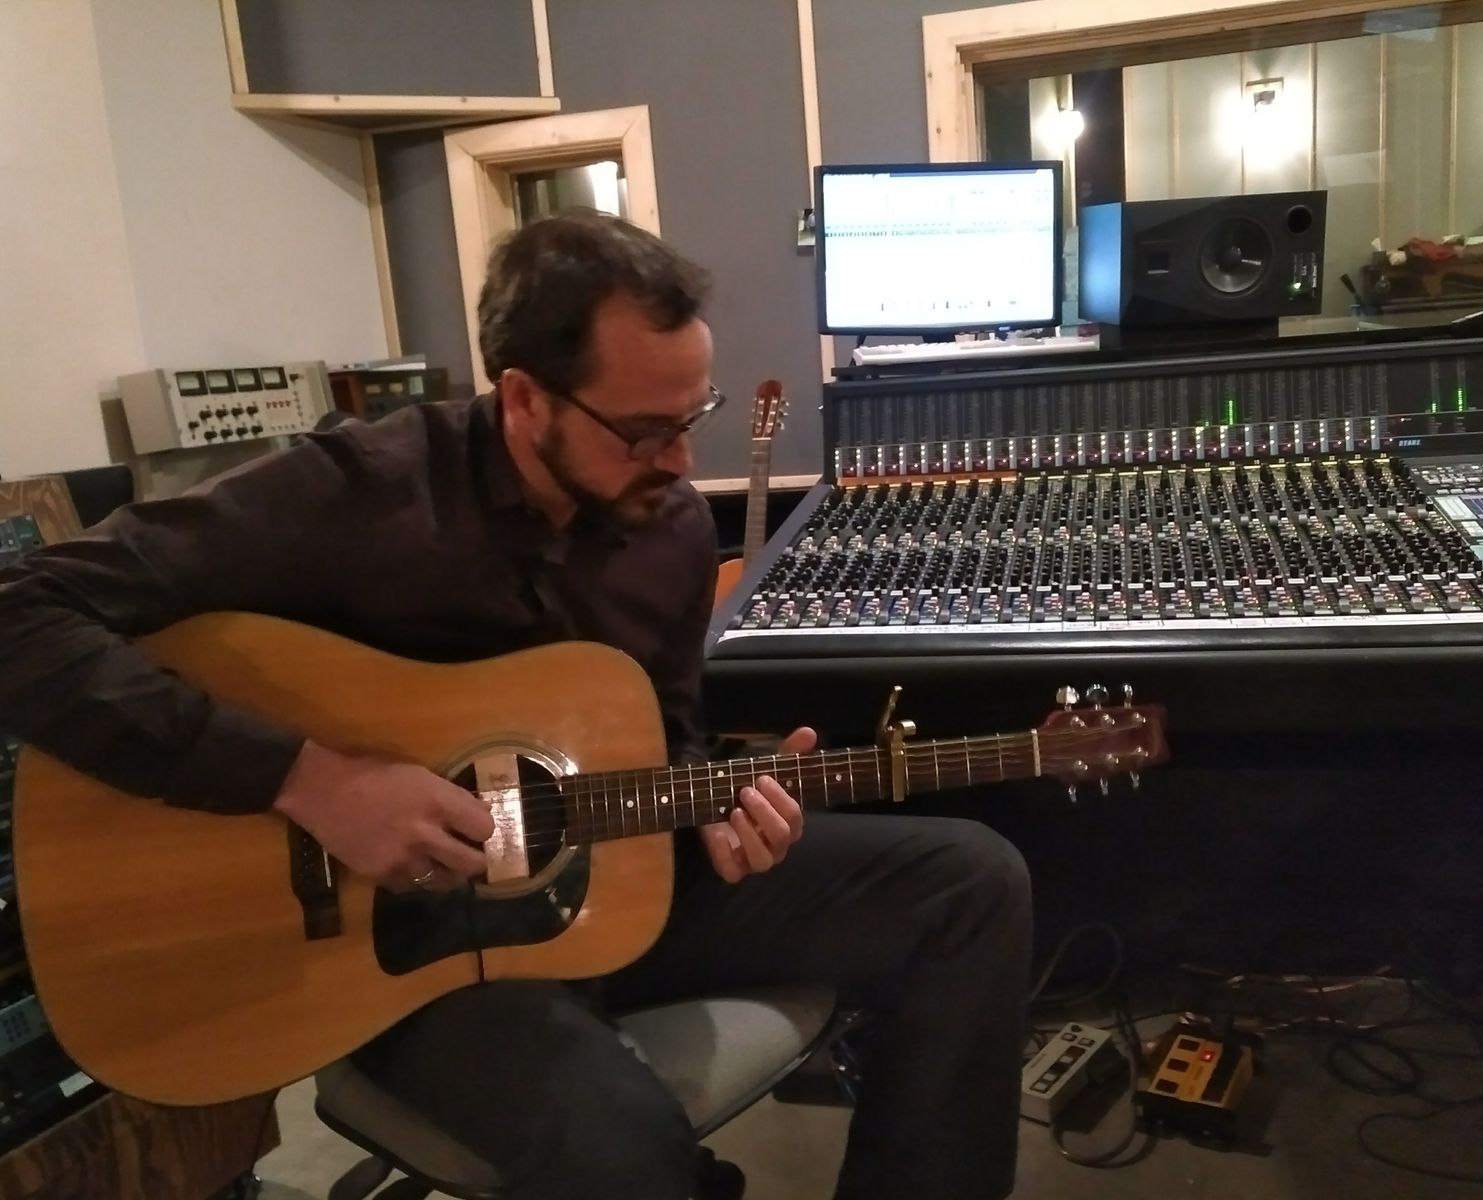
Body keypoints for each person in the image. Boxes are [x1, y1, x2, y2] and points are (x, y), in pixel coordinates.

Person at [0, 210, 1032, 1200]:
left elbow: (665, 745)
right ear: (526, 399)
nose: (681, 464)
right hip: (409, 952)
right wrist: (309, 780)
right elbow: (20, 616)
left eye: (693, 418)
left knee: (968, 884)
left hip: (609, 885)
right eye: (644, 431)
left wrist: (719, 807)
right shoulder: (359, 493)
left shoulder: (671, 531)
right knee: (616, 1144)